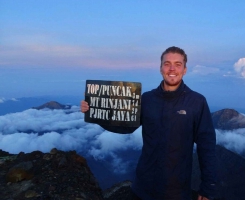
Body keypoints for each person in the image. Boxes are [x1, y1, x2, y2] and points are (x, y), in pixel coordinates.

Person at [81, 46, 217, 200]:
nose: (172, 68)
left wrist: (208, 187)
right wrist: (94, 112)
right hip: (142, 188)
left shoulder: (197, 102)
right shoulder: (147, 99)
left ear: (185, 70)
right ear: (160, 68)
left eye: (178, 64)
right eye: (167, 63)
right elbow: (126, 126)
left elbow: (207, 146)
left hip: (177, 191)